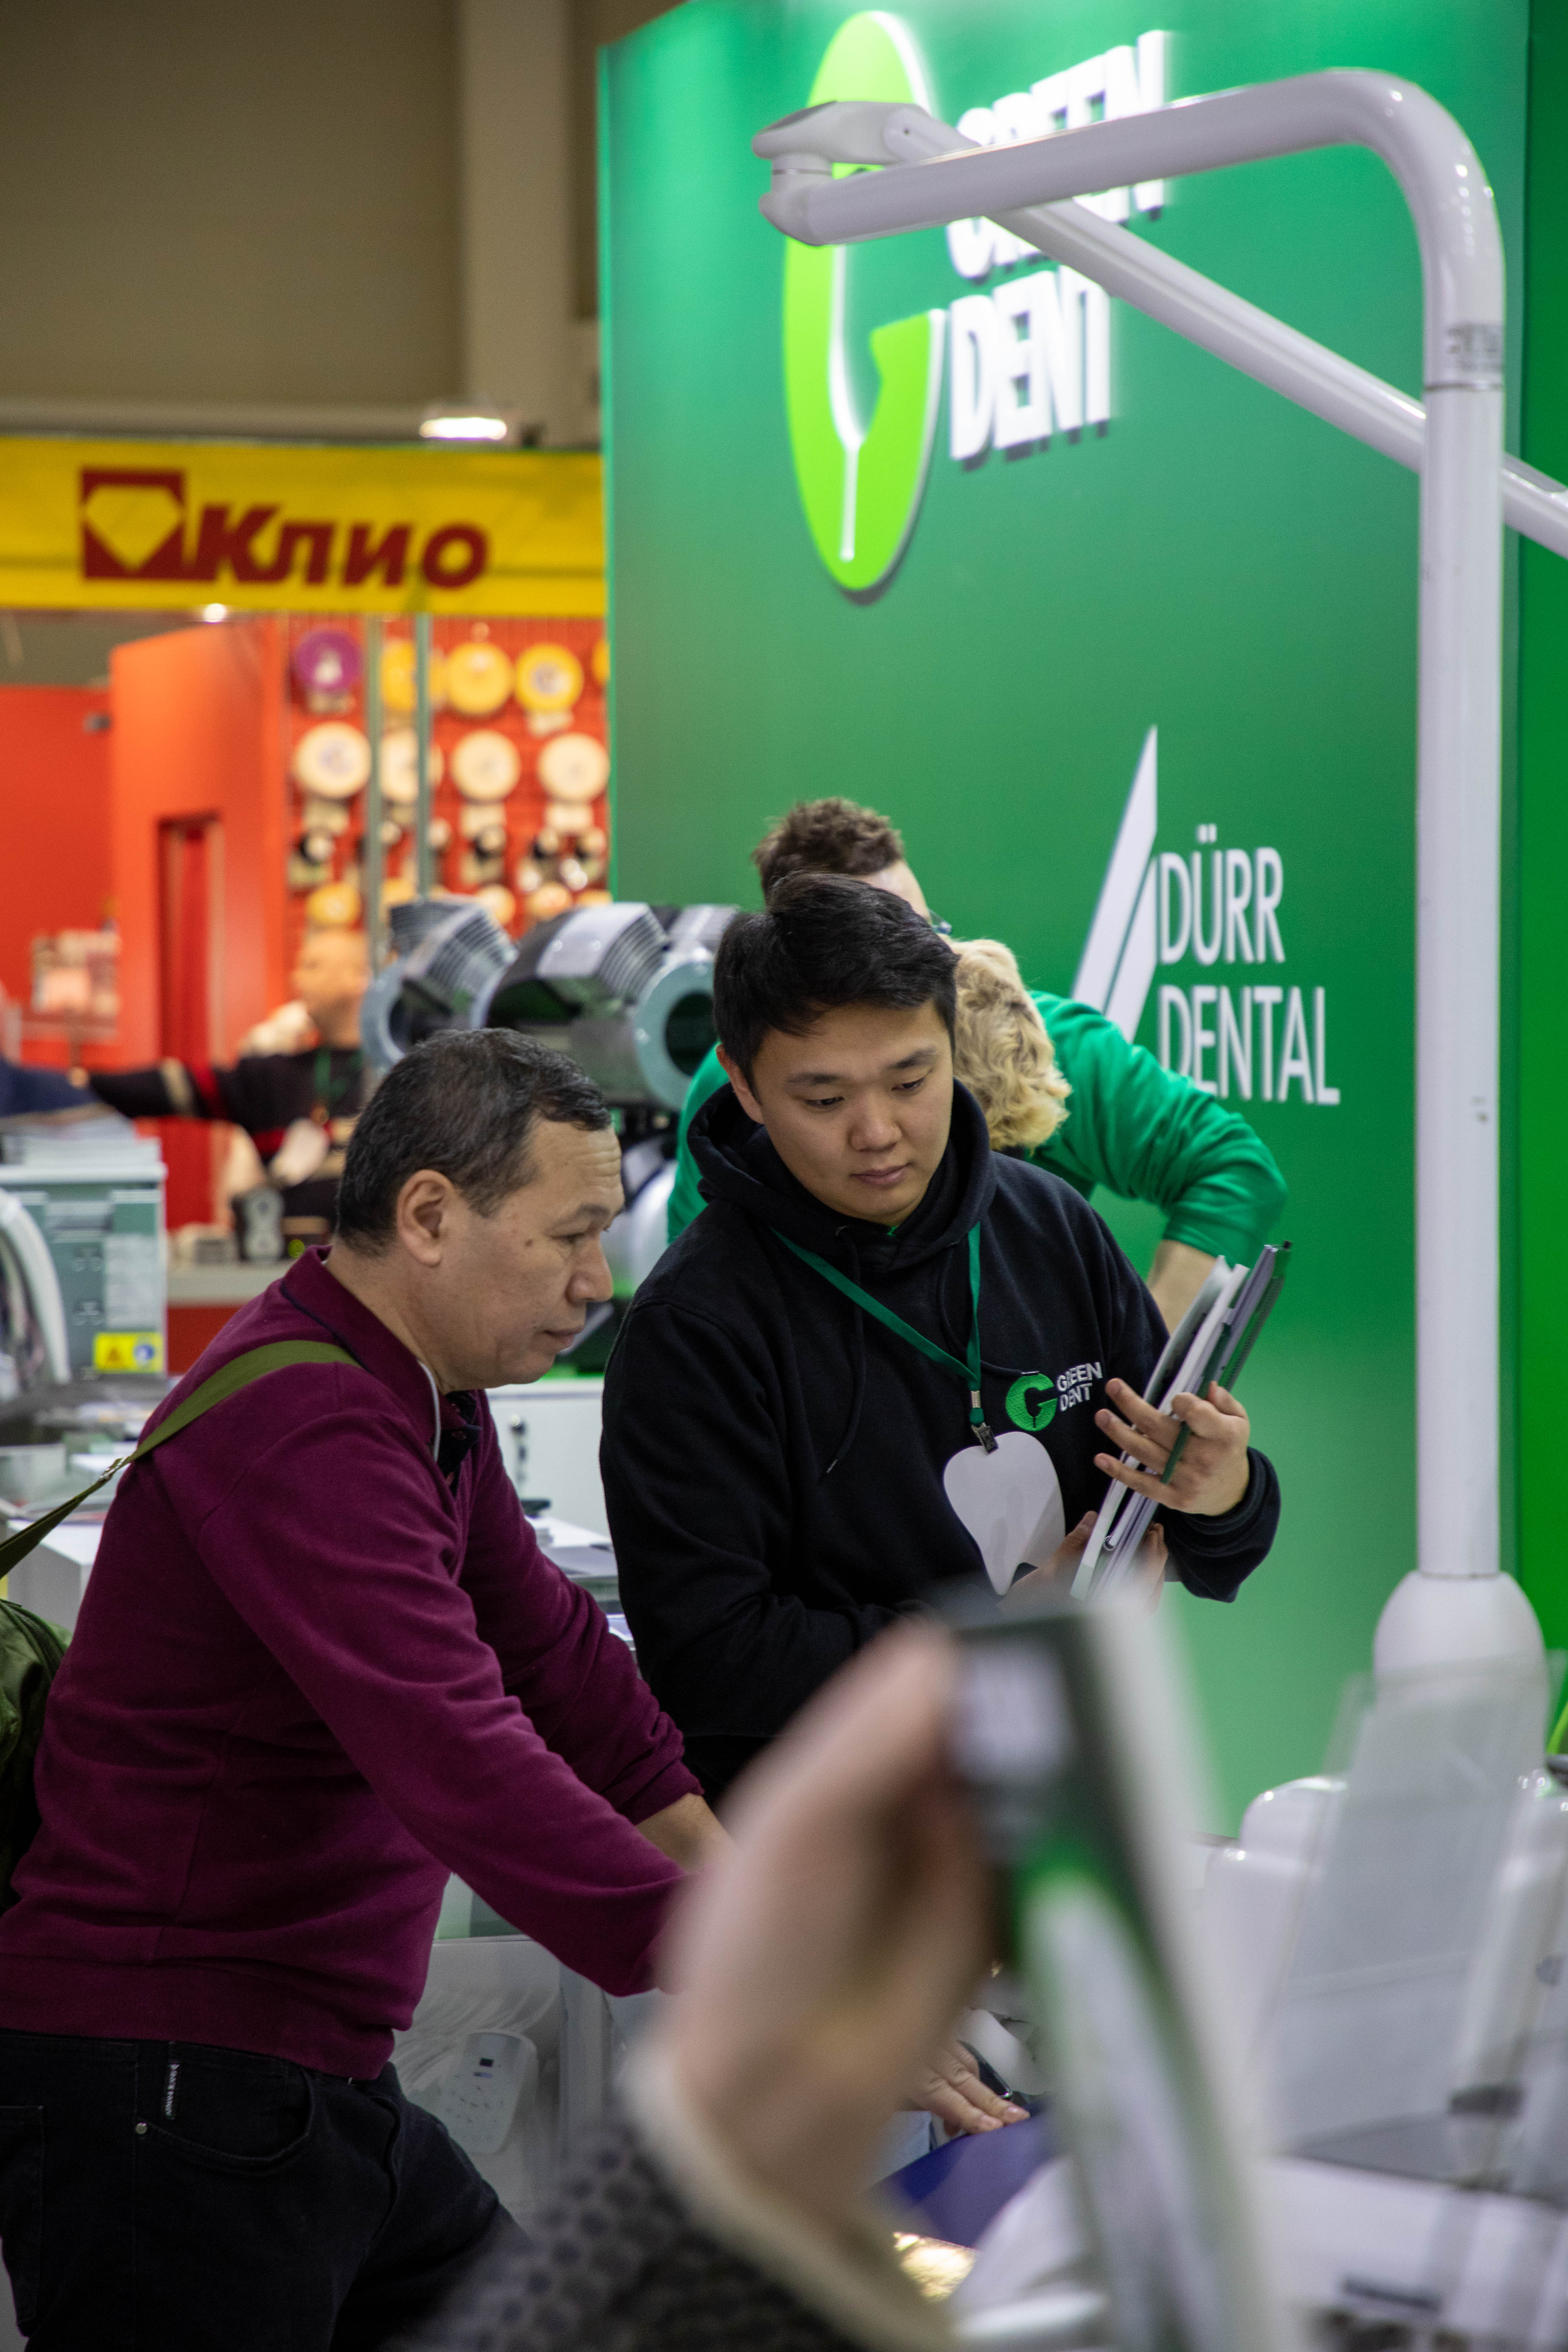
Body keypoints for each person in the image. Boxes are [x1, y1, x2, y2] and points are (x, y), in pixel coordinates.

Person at [0, 1029, 729, 2351]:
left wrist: (740, 1894)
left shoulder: (421, 1398)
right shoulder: (311, 1424)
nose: (596, 1279)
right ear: (430, 1215)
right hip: (174, 2085)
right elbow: (462, 1752)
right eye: (570, 1234)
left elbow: (559, 1660)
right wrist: (758, 1964)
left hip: (299, 2076)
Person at [604, 877, 1280, 1806]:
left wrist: (1222, 1490)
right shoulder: (695, 1327)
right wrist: (981, 1644)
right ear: (744, 1084)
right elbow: (709, 1659)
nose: (876, 1132)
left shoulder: (1050, 1226)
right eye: (822, 1097)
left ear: (951, 1044)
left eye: (910, 1081)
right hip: (841, 1842)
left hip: (1065, 1798)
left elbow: (1204, 1548)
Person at [399, 1624, 988, 2352]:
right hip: (274, 2058)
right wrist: (748, 1973)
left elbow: (562, 1664)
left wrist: (757, 1931)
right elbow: (449, 1735)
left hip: (344, 2071)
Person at [669, 797, 1287, 1331]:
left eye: (919, 930)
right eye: (824, 1100)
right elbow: (700, 1282)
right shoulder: (731, 1085)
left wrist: (1154, 1380)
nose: (877, 1133)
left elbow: (1231, 1168)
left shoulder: (1039, 1039)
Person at [0, 925, 373, 1248]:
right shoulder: (271, 1077)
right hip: (294, 1271)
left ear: (360, 976)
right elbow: (173, 1087)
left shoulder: (395, 1075)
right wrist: (78, 1084)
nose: (297, 980)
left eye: (313, 966)